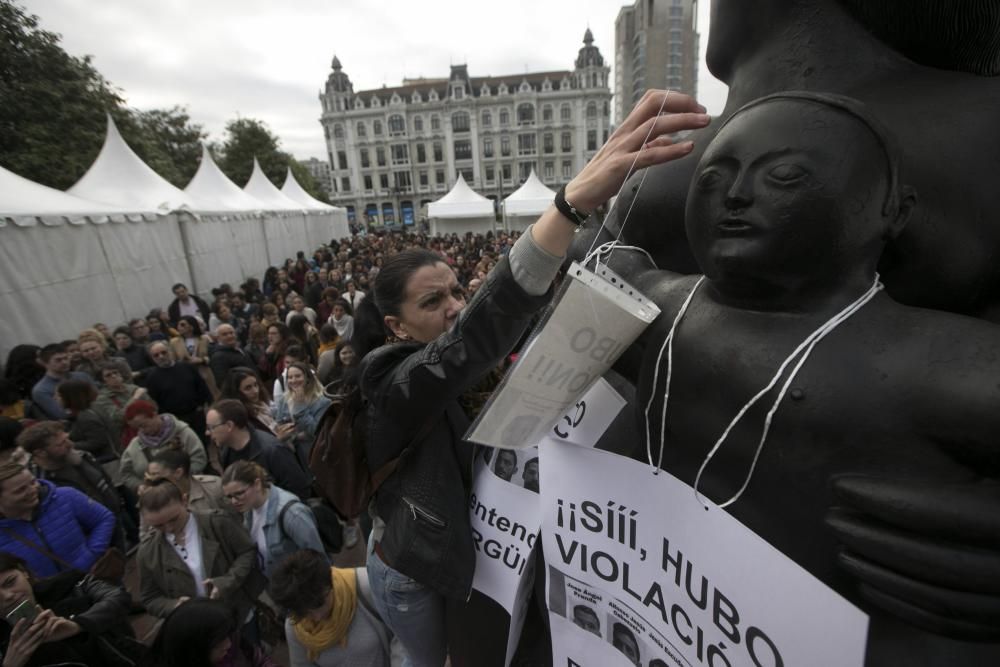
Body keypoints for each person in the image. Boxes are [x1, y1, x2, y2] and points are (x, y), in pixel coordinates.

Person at [622, 92, 1000, 662]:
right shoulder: (660, 307)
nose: (737, 195)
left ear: (893, 210)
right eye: (713, 179)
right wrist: (587, 193)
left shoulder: (936, 366)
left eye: (784, 176)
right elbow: (592, 258)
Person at [359, 89, 708, 666]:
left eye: (455, 291)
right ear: (395, 325)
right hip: (413, 571)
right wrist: (567, 207)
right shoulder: (388, 384)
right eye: (433, 302)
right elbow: (470, 343)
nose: (453, 306)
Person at [137, 478, 265, 622]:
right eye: (158, 525)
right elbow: (150, 598)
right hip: (197, 626)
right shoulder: (147, 551)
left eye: (174, 519)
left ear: (185, 500)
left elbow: (247, 552)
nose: (169, 528)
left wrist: (226, 582)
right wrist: (173, 606)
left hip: (238, 611)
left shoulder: (218, 522)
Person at [0, 552, 142, 667]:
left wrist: (79, 625)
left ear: (24, 572)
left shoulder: (70, 585)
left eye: (10, 582)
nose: (8, 596)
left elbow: (118, 597)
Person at [270, 549, 392, 667]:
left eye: (319, 604)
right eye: (305, 613)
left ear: (330, 584)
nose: (317, 617)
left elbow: (401, 635)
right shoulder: (294, 627)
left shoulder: (367, 586)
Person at [0, 463, 115, 578]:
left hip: (92, 577)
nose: (33, 489)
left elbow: (104, 518)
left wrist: (91, 554)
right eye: (20, 490)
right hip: (50, 593)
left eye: (33, 481)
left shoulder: (65, 497)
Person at [221, 461, 326, 578]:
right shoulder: (248, 509)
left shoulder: (293, 514)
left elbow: (319, 561)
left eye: (239, 493)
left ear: (257, 484)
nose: (234, 501)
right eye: (229, 496)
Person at [209, 400, 312, 501]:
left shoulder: (272, 450)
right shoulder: (225, 453)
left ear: (229, 426)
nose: (207, 432)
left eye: (211, 427)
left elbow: (300, 490)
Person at [17, 422, 121, 518]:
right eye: (61, 444)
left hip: (114, 517)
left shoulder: (83, 456)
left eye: (67, 438)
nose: (70, 444)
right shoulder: (36, 481)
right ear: (41, 453)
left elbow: (107, 484)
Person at [144, 598, 277, 667]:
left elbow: (258, 659)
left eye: (228, 636)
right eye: (218, 642)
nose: (229, 644)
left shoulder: (229, 637)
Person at [119, 400, 208, 493]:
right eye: (137, 428)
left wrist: (181, 478)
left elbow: (199, 458)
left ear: (154, 415)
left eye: (143, 425)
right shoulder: (135, 446)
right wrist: (139, 486)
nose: (142, 431)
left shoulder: (183, 433)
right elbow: (126, 474)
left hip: (190, 492)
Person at [146, 341, 214, 438]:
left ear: (170, 351)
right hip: (174, 421)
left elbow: (202, 387)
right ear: (152, 358)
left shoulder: (187, 367)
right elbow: (155, 402)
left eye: (163, 352)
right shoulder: (152, 377)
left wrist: (205, 406)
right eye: (156, 355)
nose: (161, 356)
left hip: (196, 414)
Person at [272, 363, 331, 469]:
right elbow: (279, 423)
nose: (293, 380)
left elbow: (315, 431)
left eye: (298, 376)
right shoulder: (284, 400)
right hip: (291, 453)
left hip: (313, 452)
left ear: (307, 378)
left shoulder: (323, 401)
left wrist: (300, 406)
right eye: (290, 377)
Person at [145, 449, 232, 516]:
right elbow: (146, 535)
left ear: (178, 473)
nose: (150, 479)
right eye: (150, 474)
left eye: (155, 474)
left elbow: (236, 519)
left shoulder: (215, 487)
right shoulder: (151, 497)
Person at [55, 380, 118, 463]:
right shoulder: (93, 406)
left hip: (107, 461)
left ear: (70, 396)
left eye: (59, 396)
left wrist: (71, 444)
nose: (55, 398)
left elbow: (97, 442)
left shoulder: (86, 418)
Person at [92, 363, 148, 450]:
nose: (113, 376)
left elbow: (153, 406)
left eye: (115, 372)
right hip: (130, 438)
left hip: (149, 427)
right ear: (104, 381)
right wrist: (135, 398)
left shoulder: (133, 388)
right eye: (108, 375)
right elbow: (118, 418)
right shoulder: (102, 398)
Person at [29, 344, 91, 420]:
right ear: (46, 363)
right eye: (58, 360)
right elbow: (61, 414)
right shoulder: (41, 390)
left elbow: (99, 397)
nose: (64, 362)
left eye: (66, 358)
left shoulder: (82, 376)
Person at [170, 316, 220, 399]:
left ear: (191, 326)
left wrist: (201, 360)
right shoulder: (174, 342)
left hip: (204, 373)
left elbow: (212, 355)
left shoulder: (204, 339)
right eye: (178, 324)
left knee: (213, 397)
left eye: (182, 324)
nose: (179, 327)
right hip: (186, 375)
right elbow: (173, 360)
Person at [220, 367, 278, 435]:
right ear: (237, 393)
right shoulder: (243, 419)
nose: (255, 391)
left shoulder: (263, 404)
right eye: (248, 388)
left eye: (256, 385)